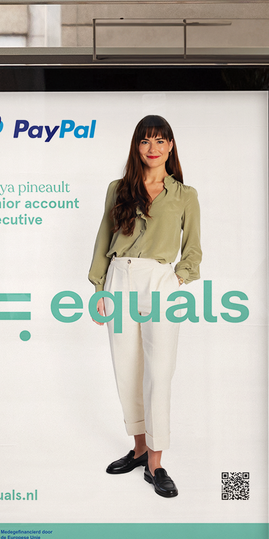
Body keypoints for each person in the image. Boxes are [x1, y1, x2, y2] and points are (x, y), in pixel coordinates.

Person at [88, 115, 203, 498]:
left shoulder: (185, 195)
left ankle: (156, 461)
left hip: (161, 282)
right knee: (127, 367)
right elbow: (104, 238)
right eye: (145, 141)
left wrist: (178, 278)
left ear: (170, 146)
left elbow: (194, 249)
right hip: (119, 278)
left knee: (160, 370)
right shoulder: (118, 189)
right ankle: (138, 449)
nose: (152, 148)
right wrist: (99, 288)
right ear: (137, 147)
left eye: (160, 140)